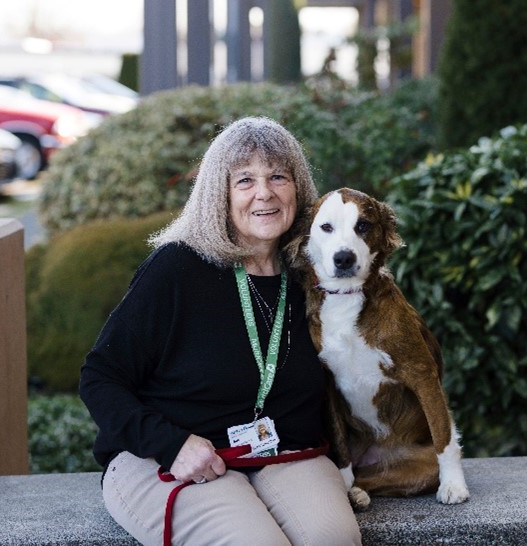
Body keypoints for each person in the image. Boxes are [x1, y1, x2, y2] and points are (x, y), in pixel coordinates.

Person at [79, 117, 362, 546]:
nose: (263, 193)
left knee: (334, 538)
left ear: (298, 188)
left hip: (283, 453)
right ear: (220, 194)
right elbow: (100, 377)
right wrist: (171, 444)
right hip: (167, 456)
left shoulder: (313, 274)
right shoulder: (176, 269)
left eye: (278, 177)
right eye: (244, 180)